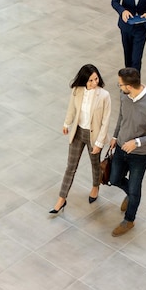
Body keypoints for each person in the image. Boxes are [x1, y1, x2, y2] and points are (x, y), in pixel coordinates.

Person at [109, 68, 146, 236]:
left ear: (129, 85)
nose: (119, 88)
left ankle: (129, 220)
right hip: (120, 147)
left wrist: (137, 142)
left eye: (120, 85)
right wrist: (115, 136)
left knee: (135, 189)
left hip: (139, 155)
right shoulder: (124, 96)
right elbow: (122, 117)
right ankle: (130, 195)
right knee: (114, 179)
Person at [50, 64, 111, 214]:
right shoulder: (77, 91)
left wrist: (99, 142)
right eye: (90, 80)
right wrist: (66, 123)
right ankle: (61, 199)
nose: (94, 82)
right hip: (78, 133)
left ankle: (95, 186)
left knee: (95, 164)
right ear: (84, 80)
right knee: (70, 167)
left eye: (96, 79)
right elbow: (72, 108)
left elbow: (106, 121)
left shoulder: (104, 95)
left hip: (94, 136)